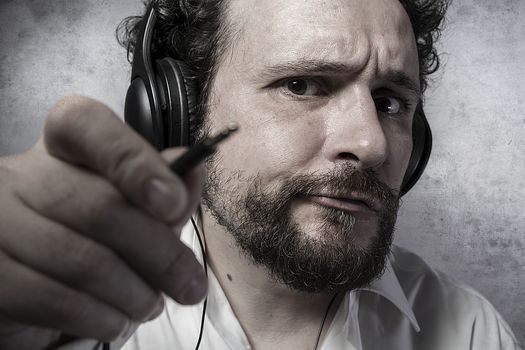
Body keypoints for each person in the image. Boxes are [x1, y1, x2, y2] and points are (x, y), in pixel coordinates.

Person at [0, 0, 521, 349]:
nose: (371, 143)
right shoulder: (62, 314)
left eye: (389, 101)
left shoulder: (470, 332)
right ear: (180, 111)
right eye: (302, 85)